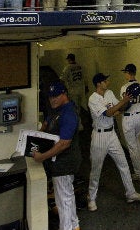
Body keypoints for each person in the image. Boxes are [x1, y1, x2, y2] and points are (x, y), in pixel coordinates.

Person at [87, 73, 140, 212]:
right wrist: (123, 102)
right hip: (99, 136)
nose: (107, 81)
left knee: (124, 164)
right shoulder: (93, 99)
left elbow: (118, 108)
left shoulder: (109, 93)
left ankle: (130, 193)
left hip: (112, 134)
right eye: (105, 80)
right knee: (96, 169)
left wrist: (128, 100)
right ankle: (91, 197)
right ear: (98, 84)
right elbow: (108, 113)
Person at [33, 81, 82, 230]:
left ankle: (67, 227)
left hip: (64, 163)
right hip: (58, 162)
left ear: (64, 94)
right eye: (50, 97)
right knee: (67, 196)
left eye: (56, 96)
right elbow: (47, 123)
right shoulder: (57, 109)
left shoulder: (68, 113)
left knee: (63, 200)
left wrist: (42, 156)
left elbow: (64, 143)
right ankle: (74, 226)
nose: (52, 100)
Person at [119, 64, 140, 182]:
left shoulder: (125, 87)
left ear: (128, 73)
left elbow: (123, 104)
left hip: (129, 118)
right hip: (139, 116)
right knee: (136, 142)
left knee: (132, 147)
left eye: (125, 72)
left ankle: (139, 174)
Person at [60, 53, 86, 130]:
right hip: (81, 89)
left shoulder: (67, 68)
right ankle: (79, 123)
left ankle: (78, 125)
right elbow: (85, 77)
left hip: (73, 90)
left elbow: (62, 79)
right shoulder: (80, 66)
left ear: (69, 59)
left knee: (74, 107)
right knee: (79, 107)